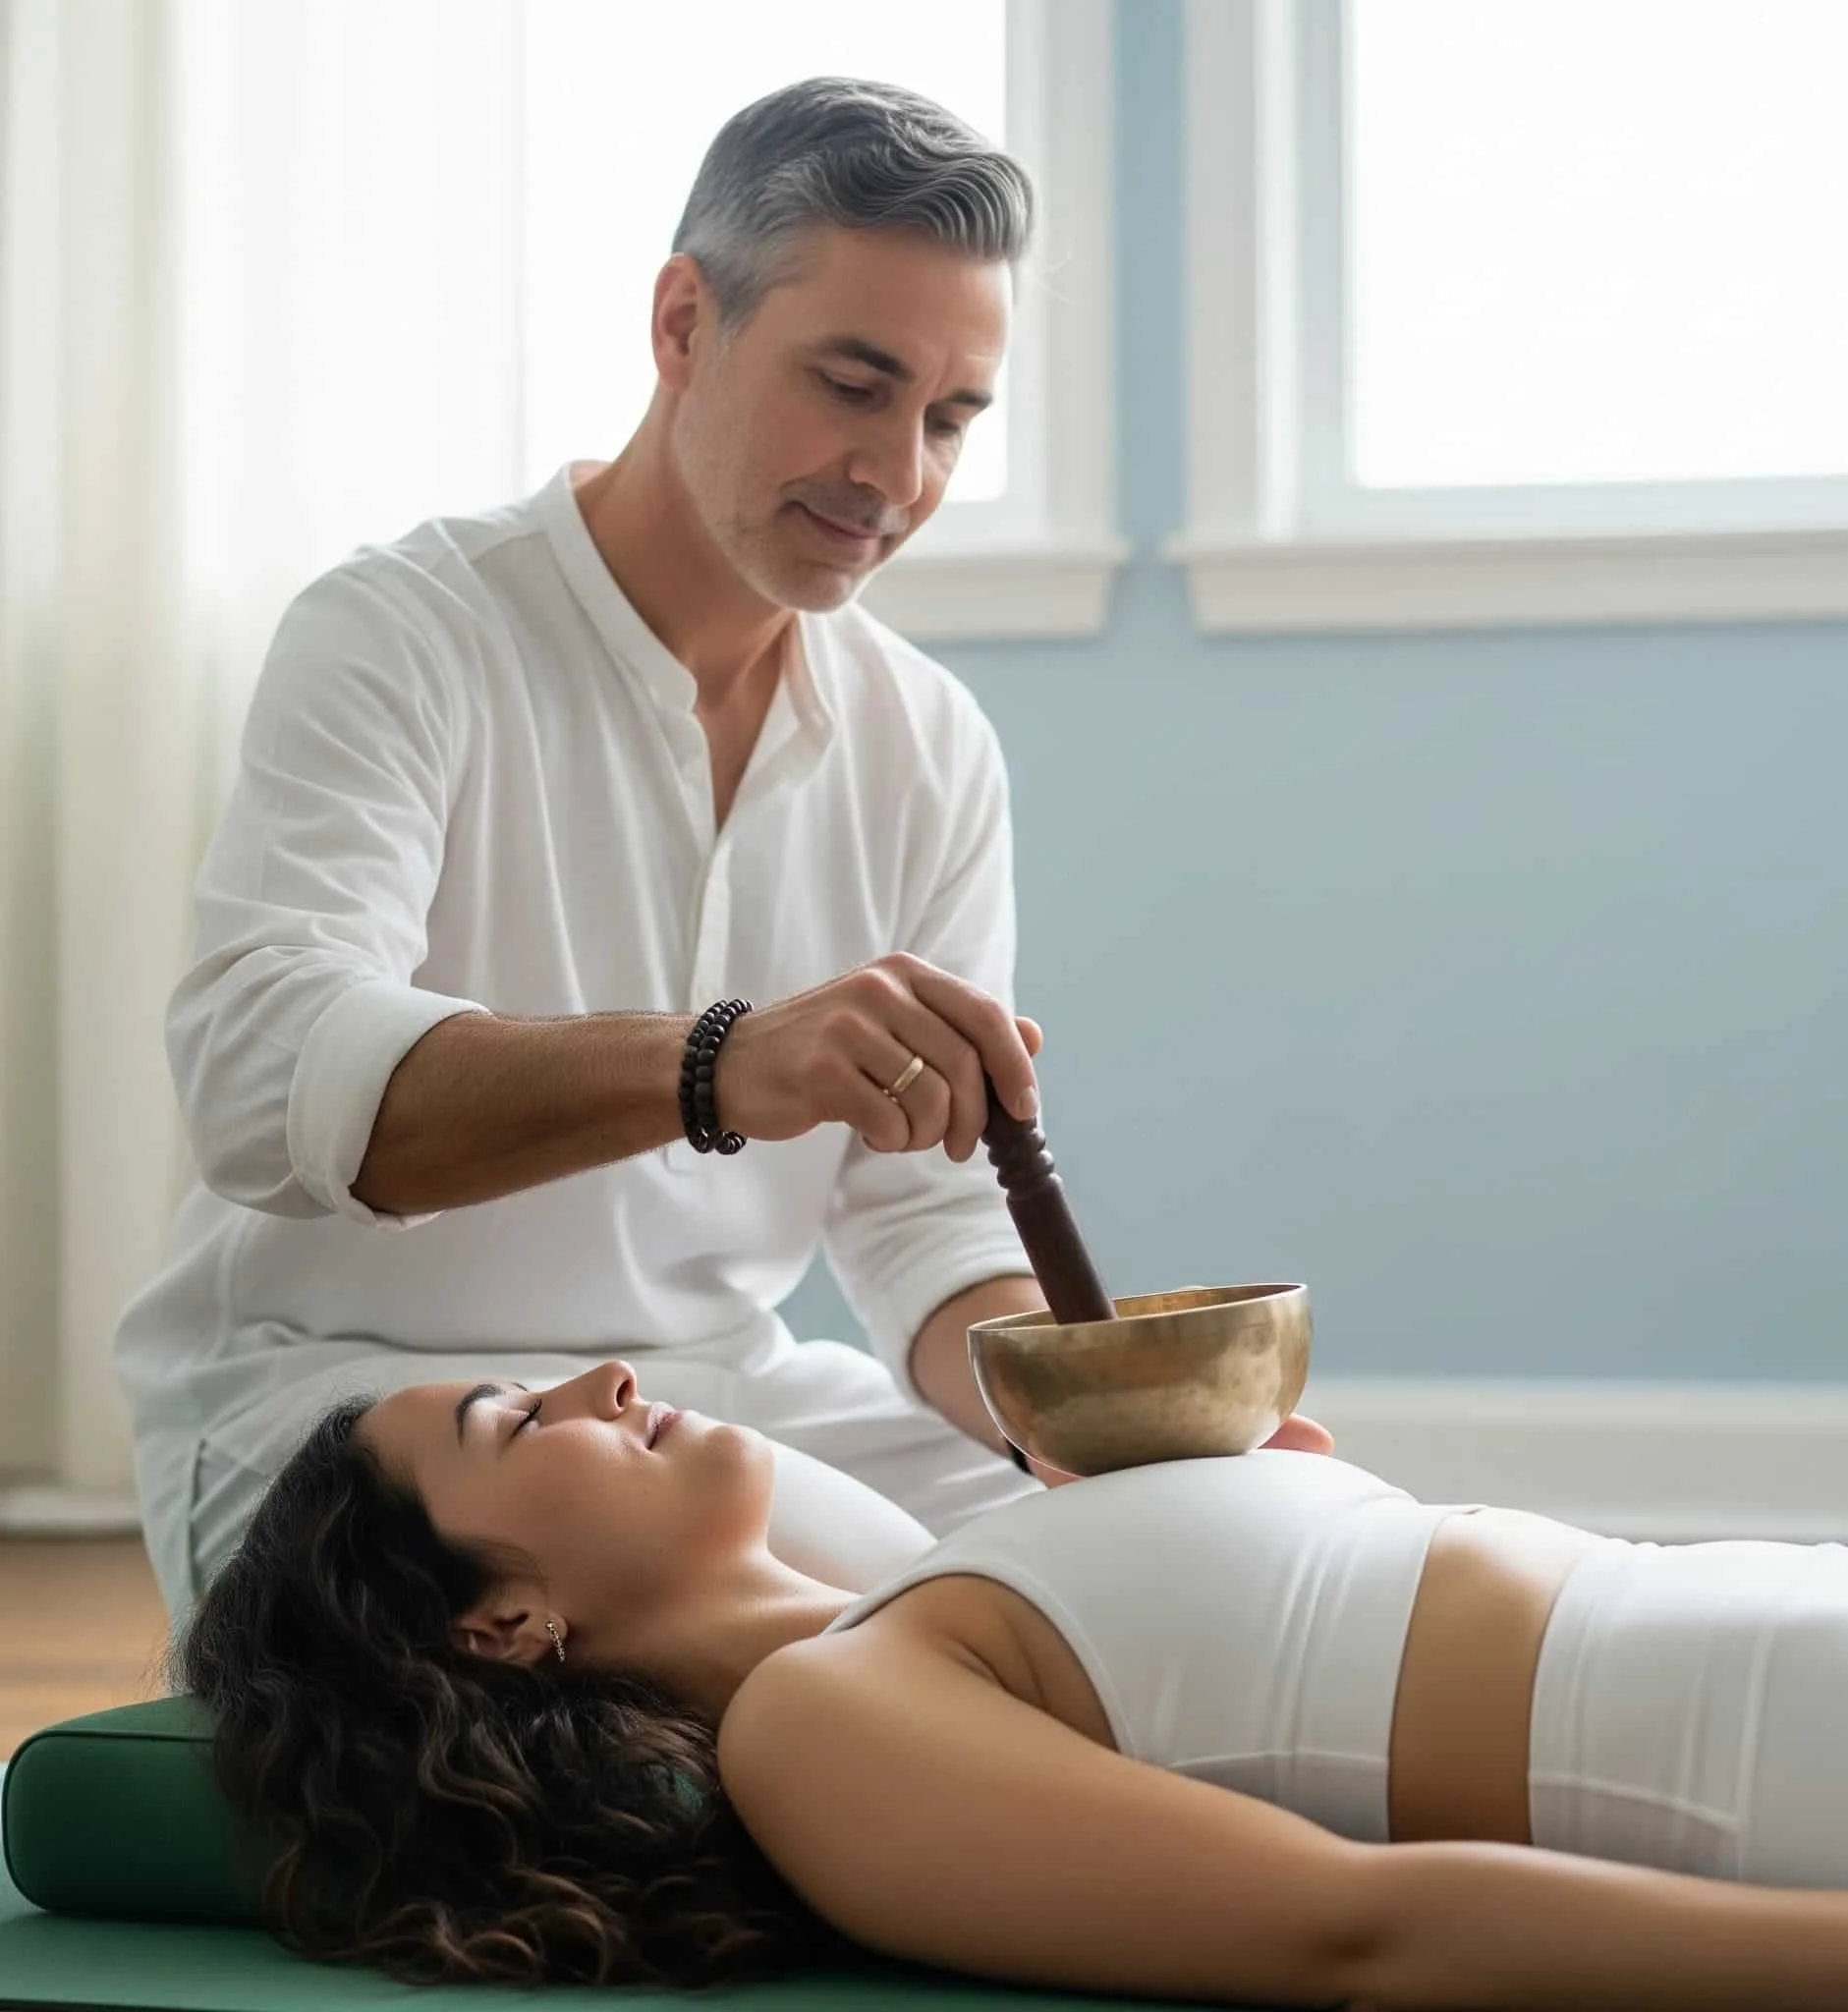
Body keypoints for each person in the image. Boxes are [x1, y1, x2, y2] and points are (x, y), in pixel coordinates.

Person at [107, 71, 1333, 1622]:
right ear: (685, 322)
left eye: (949, 417)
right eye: (851, 381)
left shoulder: (926, 738)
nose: (897, 476)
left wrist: (1102, 1437)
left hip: (715, 1407)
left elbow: (926, 1218)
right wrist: (719, 1062)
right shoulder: (401, 631)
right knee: (958, 1622)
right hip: (356, 1419)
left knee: (1231, 1561)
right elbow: (258, 1072)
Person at [180, 1358, 1848, 2010]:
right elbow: (1363, 1927)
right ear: (501, 1627)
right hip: (1774, 1752)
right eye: (513, 1421)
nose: (602, 1378)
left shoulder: (935, 1577)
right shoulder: (822, 1726)